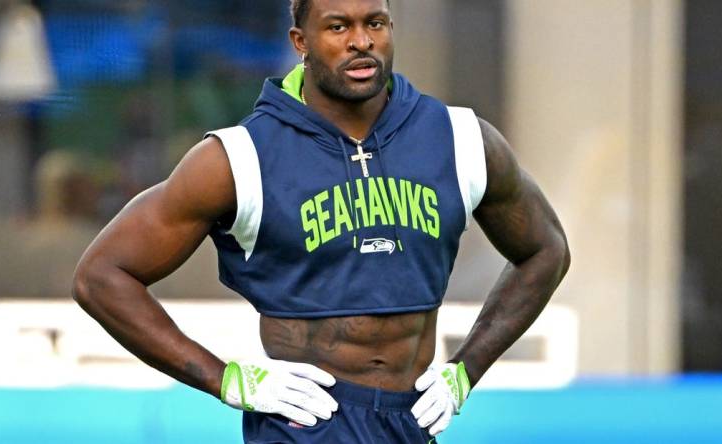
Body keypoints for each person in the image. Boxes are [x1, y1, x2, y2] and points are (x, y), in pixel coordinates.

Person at [73, 0, 570, 442]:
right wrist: (226, 379)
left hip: (412, 421)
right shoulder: (240, 157)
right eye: (338, 27)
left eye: (375, 23)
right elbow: (101, 277)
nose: (361, 41)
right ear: (300, 42)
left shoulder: (460, 138)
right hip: (304, 425)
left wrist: (466, 370)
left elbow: (546, 251)